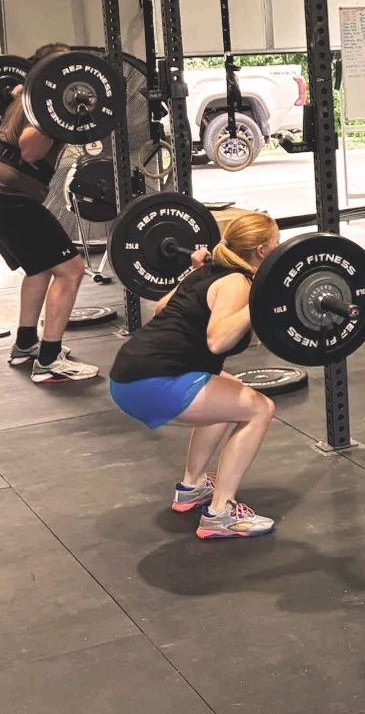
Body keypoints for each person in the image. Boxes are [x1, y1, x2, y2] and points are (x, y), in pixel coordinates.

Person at [107, 212, 283, 540]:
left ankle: (192, 486)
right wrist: (260, 297)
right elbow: (218, 340)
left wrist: (193, 275)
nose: (280, 248)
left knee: (231, 394)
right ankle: (220, 514)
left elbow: (161, 308)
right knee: (261, 409)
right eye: (277, 244)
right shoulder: (238, 282)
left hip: (126, 375)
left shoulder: (206, 272)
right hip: (155, 383)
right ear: (261, 251)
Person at [0, 42, 99, 384]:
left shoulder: (28, 96)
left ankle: (26, 345)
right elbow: (29, 147)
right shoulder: (42, 104)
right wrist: (59, 115)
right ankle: (50, 360)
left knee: (39, 268)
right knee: (71, 269)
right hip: (4, 196)